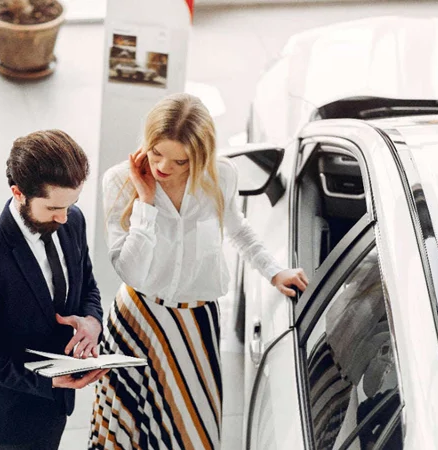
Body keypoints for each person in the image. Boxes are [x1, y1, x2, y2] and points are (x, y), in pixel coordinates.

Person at [89, 93, 309, 449]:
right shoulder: (119, 181)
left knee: (192, 435)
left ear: (199, 155)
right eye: (157, 152)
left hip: (196, 324)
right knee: (126, 435)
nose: (163, 167)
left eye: (179, 160)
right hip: (138, 319)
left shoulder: (220, 175)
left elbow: (236, 228)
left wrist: (273, 271)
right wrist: (146, 202)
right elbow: (128, 270)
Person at [0, 130, 107, 450]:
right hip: (8, 421)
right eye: (52, 208)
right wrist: (45, 379)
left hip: (53, 408)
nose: (64, 217)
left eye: (71, 204)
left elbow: (88, 284)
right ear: (19, 193)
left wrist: (92, 321)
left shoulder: (72, 220)